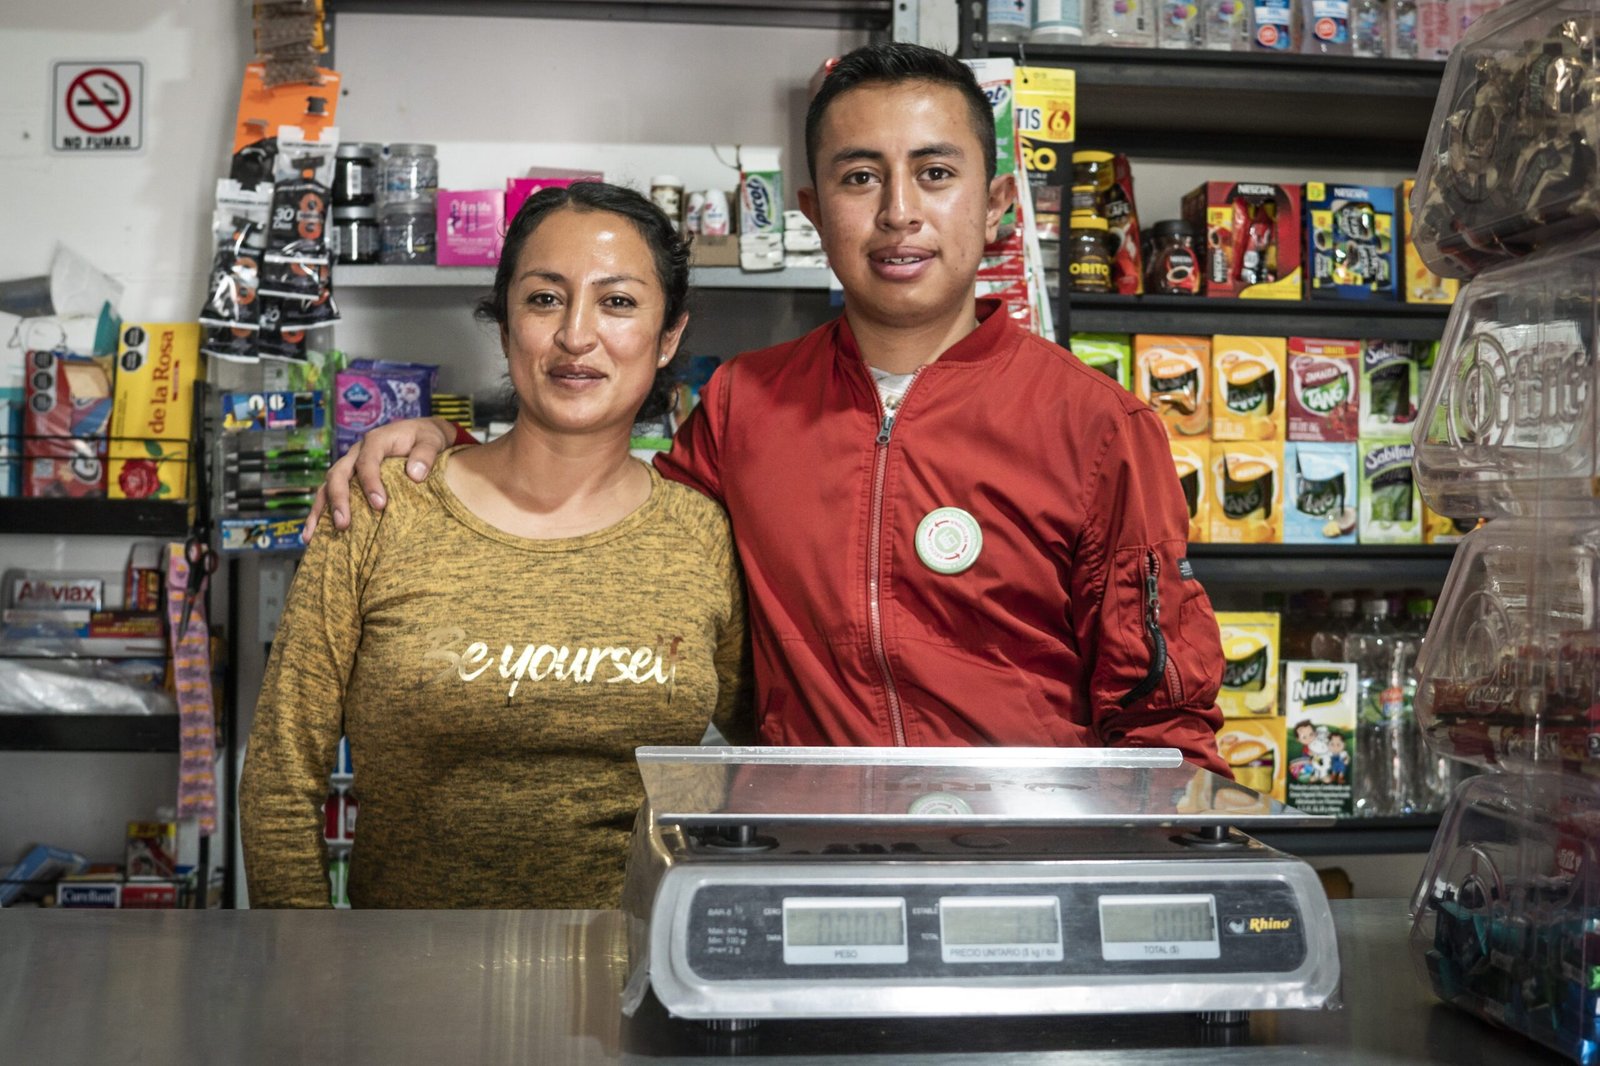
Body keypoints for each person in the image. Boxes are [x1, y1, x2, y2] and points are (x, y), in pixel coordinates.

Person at [308, 43, 1227, 773]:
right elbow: (605, 508)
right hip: (815, 877)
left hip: (1024, 878)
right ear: (812, 210)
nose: (899, 212)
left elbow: (1163, 716)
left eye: (935, 174)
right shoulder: (747, 403)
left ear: (993, 209)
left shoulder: (1097, 426)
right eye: (860, 177)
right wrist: (450, 446)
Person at [240, 182, 752, 909]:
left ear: (668, 336)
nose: (577, 335)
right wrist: (309, 967)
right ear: (505, 324)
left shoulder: (700, 535)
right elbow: (281, 780)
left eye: (618, 302)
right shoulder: (385, 507)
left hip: (635, 987)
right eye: (545, 299)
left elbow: (775, 747)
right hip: (404, 987)